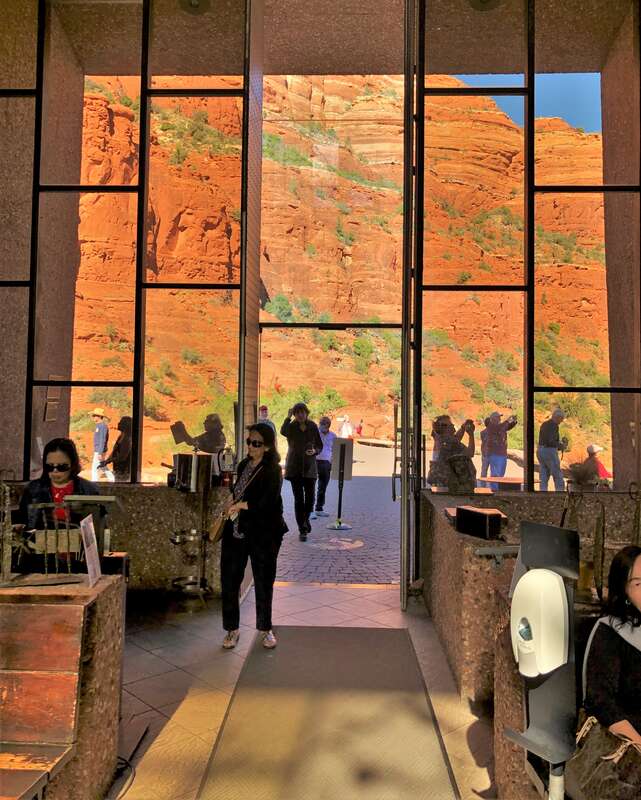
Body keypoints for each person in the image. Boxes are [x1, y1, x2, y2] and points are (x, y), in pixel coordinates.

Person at [220, 423, 287, 650]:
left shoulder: (273, 470)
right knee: (229, 580)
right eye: (249, 441)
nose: (251, 446)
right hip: (236, 531)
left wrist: (240, 505)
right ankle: (232, 629)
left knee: (263, 581)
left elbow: (267, 502)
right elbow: (238, 489)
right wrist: (231, 500)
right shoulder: (243, 465)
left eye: (256, 443)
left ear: (267, 446)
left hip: (264, 533)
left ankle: (265, 629)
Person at [583, 545, 641, 746]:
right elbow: (600, 703)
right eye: (638, 584)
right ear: (624, 591)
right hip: (630, 746)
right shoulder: (611, 632)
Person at [18, 438, 99, 530]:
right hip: (38, 542)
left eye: (62, 466)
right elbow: (22, 523)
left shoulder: (90, 490)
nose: (55, 471)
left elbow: (98, 527)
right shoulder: (32, 489)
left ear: (73, 464)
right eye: (50, 466)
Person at [281, 403, 323, 541]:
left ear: (306, 413)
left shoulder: (313, 426)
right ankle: (302, 528)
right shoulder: (291, 427)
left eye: (302, 412)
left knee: (310, 498)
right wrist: (287, 418)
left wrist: (315, 451)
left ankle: (306, 519)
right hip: (295, 468)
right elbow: (283, 431)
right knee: (299, 500)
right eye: (297, 412)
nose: (300, 415)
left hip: (310, 468)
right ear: (294, 414)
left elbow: (319, 445)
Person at [485, 411, 518, 490]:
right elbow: (502, 426)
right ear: (493, 419)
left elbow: (507, 427)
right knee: (496, 475)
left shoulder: (499, 426)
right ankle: (494, 490)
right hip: (495, 454)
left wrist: (514, 422)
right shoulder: (491, 426)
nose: (500, 418)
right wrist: (508, 420)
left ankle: (496, 490)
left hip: (501, 454)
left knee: (500, 474)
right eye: (498, 417)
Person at [537, 408, 568, 491]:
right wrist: (561, 446)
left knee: (544, 474)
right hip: (549, 451)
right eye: (561, 419)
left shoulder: (545, 424)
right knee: (557, 474)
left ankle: (542, 493)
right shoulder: (554, 426)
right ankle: (560, 493)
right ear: (557, 417)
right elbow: (551, 441)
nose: (561, 421)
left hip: (540, 450)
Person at [312, 416, 336, 518]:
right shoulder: (314, 433)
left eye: (324, 425)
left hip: (326, 463)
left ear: (328, 426)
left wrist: (332, 462)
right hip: (314, 461)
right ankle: (310, 510)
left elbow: (335, 450)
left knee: (322, 487)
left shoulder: (333, 436)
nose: (321, 426)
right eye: (321, 424)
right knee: (311, 486)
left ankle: (319, 508)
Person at [101, 416, 132, 482]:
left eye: (121, 422)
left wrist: (110, 460)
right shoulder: (121, 436)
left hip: (124, 470)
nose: (118, 423)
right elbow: (114, 451)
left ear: (125, 425)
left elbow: (122, 457)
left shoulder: (126, 439)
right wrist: (107, 461)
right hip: (119, 469)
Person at [91, 407, 114, 482]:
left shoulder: (102, 426)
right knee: (102, 465)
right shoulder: (98, 426)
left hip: (99, 451)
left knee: (95, 468)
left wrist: (100, 452)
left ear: (99, 417)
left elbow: (102, 440)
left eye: (95, 415)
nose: (93, 417)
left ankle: (94, 483)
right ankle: (112, 479)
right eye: (93, 415)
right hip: (98, 450)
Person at [478, 416, 491, 488]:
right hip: (488, 453)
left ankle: (483, 485)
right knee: (486, 470)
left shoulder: (482, 432)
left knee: (484, 470)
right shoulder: (484, 432)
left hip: (485, 453)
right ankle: (488, 485)